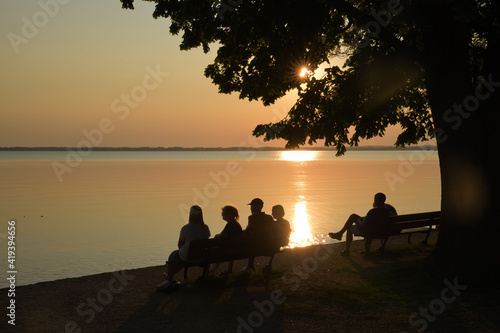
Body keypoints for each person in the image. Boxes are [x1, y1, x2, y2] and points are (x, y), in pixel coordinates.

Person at [157, 205, 211, 291]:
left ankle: (169, 279)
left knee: (173, 255)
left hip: (188, 257)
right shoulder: (205, 228)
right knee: (182, 255)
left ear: (190, 215)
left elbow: (180, 245)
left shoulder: (186, 228)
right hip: (201, 257)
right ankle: (169, 276)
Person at [328, 193, 396, 255]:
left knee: (351, 221)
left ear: (376, 200)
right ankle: (378, 248)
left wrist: (360, 221)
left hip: (369, 231)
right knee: (363, 222)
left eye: (374, 199)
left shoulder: (372, 211)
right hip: (382, 232)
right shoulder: (388, 211)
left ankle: (345, 247)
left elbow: (364, 225)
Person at [209, 204, 244, 275]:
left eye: (223, 213)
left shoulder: (230, 225)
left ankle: (211, 270)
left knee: (215, 250)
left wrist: (216, 236)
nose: (222, 214)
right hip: (237, 249)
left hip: (229, 250)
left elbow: (222, 236)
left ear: (229, 214)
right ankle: (228, 270)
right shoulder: (237, 224)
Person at [243, 198, 275, 271]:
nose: (251, 208)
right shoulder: (269, 217)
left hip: (258, 247)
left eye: (252, 206)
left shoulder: (252, 218)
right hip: (271, 246)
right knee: (254, 242)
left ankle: (248, 267)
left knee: (251, 243)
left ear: (257, 207)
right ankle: (249, 266)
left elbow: (248, 231)